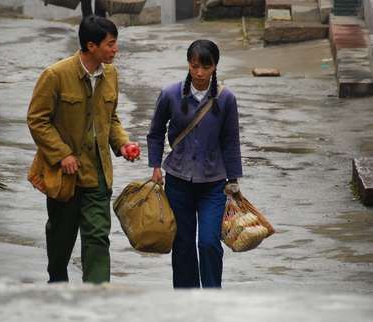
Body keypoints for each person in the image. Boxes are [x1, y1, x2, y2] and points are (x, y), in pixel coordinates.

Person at [27, 15, 139, 284]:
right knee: (61, 238)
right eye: (110, 44)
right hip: (65, 176)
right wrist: (62, 153)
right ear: (91, 46)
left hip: (97, 174)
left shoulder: (110, 74)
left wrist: (122, 143)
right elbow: (37, 119)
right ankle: (57, 280)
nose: (115, 49)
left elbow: (110, 118)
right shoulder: (55, 75)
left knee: (98, 238)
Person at [146, 39, 242, 288]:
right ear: (188, 64)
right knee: (183, 244)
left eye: (206, 67)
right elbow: (155, 132)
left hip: (213, 184)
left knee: (209, 242)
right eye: (195, 66)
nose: (199, 73)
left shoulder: (226, 99)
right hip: (178, 181)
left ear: (215, 67)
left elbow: (231, 141)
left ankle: (211, 296)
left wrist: (233, 181)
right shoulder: (170, 94)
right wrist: (156, 165)